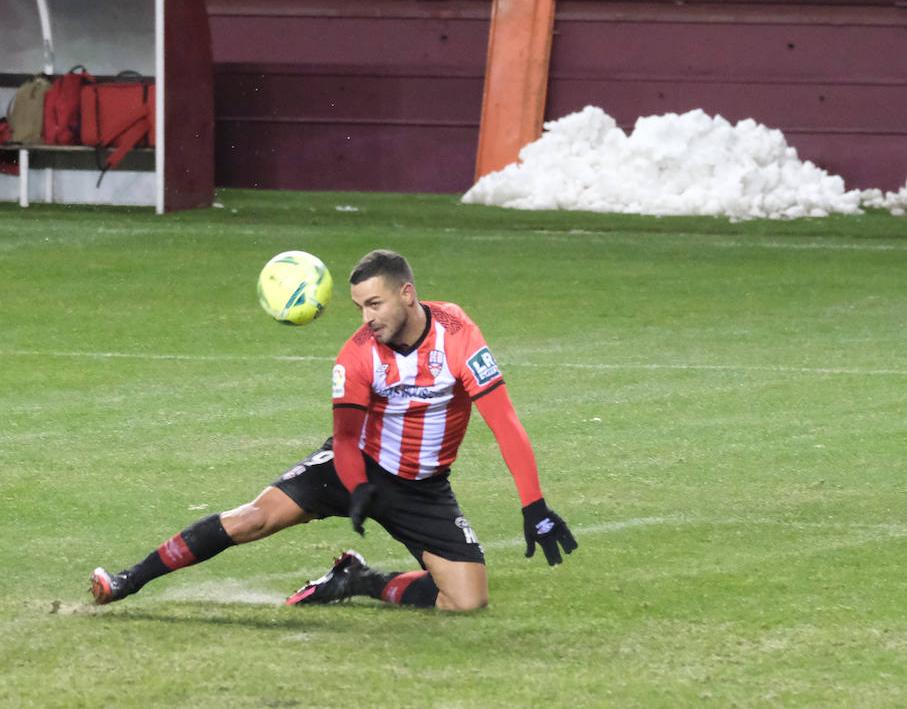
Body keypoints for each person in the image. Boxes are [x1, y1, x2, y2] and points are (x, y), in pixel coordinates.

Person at [90, 249, 577, 611]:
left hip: (423, 487)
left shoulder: (457, 334)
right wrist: (360, 485)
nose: (368, 318)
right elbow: (344, 438)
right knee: (252, 519)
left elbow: (504, 422)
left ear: (407, 294)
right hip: (353, 467)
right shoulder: (357, 354)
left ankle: (359, 580)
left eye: (375, 304)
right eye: (360, 307)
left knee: (467, 600)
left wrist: (534, 506)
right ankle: (128, 580)